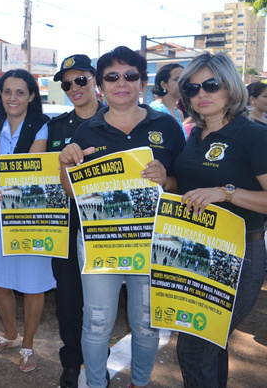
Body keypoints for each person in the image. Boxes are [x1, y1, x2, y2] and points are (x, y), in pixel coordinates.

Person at [59, 46, 186, 388]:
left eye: (130, 75)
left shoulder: (168, 127)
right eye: (112, 76)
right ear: (100, 86)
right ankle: (97, 384)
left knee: (146, 324)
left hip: (153, 242)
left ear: (142, 82)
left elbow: (183, 186)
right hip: (100, 245)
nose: (121, 82)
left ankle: (139, 383)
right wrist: (65, 163)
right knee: (97, 322)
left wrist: (167, 180)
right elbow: (72, 191)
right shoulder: (87, 131)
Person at [175, 52, 267, 388]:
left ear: (229, 86)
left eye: (210, 84)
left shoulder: (253, 135)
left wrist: (225, 193)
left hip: (240, 254)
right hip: (197, 251)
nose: (201, 93)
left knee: (194, 346)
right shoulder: (194, 135)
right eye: (192, 87)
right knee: (211, 343)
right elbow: (184, 187)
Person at [0, 69, 53, 373]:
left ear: (32, 96)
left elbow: (32, 169)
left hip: (31, 216)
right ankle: (10, 335)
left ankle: (28, 343)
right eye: (7, 92)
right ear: (0, 96)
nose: (13, 98)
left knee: (33, 284)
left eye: (20, 92)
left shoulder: (42, 125)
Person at [47, 54, 104, 388]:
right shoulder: (55, 128)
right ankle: (72, 362)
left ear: (95, 79)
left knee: (102, 306)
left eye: (80, 80)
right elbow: (35, 173)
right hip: (65, 230)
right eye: (66, 83)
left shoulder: (114, 124)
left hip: (105, 231)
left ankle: (98, 363)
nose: (74, 88)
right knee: (68, 302)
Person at [150, 63, 187, 137]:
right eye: (176, 79)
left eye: (184, 79)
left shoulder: (178, 113)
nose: (182, 83)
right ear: (163, 84)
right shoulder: (156, 110)